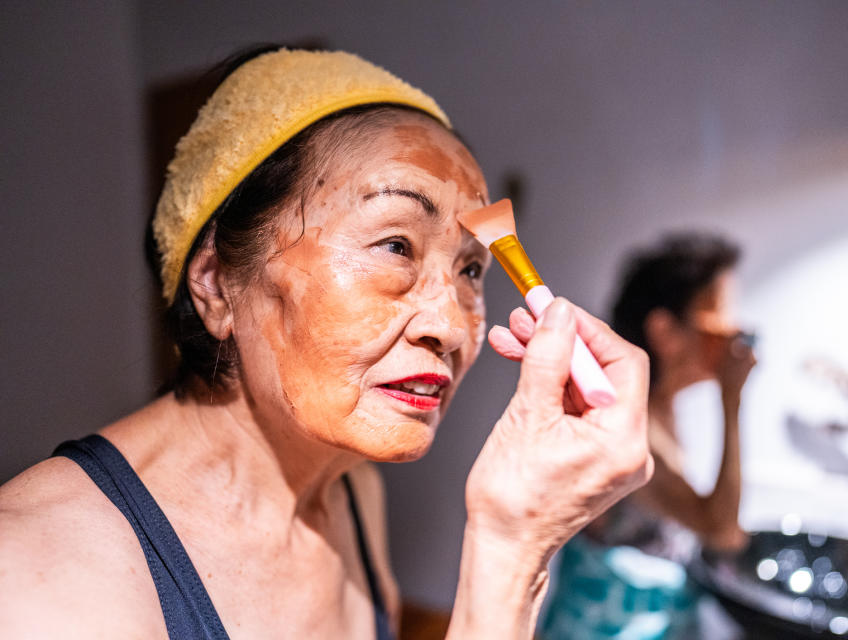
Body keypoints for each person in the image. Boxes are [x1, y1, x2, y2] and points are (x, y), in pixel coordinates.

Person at [0, 47, 654, 639]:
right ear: (216, 284)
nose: (452, 326)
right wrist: (508, 553)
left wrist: (516, 542)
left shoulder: (351, 493)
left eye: (472, 270)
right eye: (395, 245)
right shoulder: (39, 571)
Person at [540, 233, 756, 639]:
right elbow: (721, 529)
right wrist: (732, 400)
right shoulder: (625, 418)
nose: (732, 341)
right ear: (665, 332)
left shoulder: (662, 408)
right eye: (718, 326)